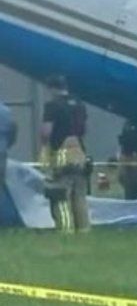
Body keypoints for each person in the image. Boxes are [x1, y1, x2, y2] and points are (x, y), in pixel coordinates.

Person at [39, 75, 90, 233]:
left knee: (60, 194)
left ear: (52, 88)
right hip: (79, 150)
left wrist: (43, 147)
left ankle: (66, 230)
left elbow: (47, 131)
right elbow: (85, 129)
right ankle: (83, 230)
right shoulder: (80, 104)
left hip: (61, 151)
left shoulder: (52, 105)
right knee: (79, 194)